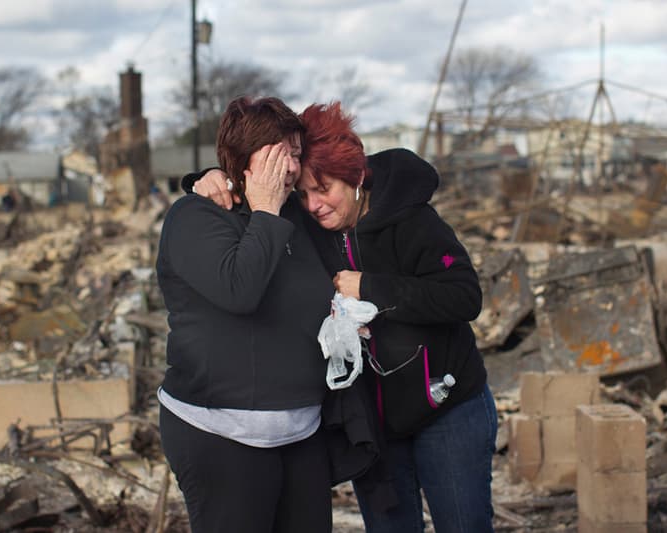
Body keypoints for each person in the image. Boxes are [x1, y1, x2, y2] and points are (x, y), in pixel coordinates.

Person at [194, 102, 497, 532]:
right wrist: (208, 179)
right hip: (371, 425)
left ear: (354, 178)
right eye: (302, 194)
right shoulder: (307, 225)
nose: (314, 205)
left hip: (445, 408)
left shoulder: (411, 221)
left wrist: (370, 286)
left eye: (325, 189)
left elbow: (464, 297)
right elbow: (252, 192)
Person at [156, 96, 334, 533]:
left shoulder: (298, 214)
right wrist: (265, 208)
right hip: (219, 432)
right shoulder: (194, 217)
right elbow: (239, 290)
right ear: (243, 157)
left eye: (295, 154)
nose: (290, 167)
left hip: (301, 429)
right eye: (278, 153)